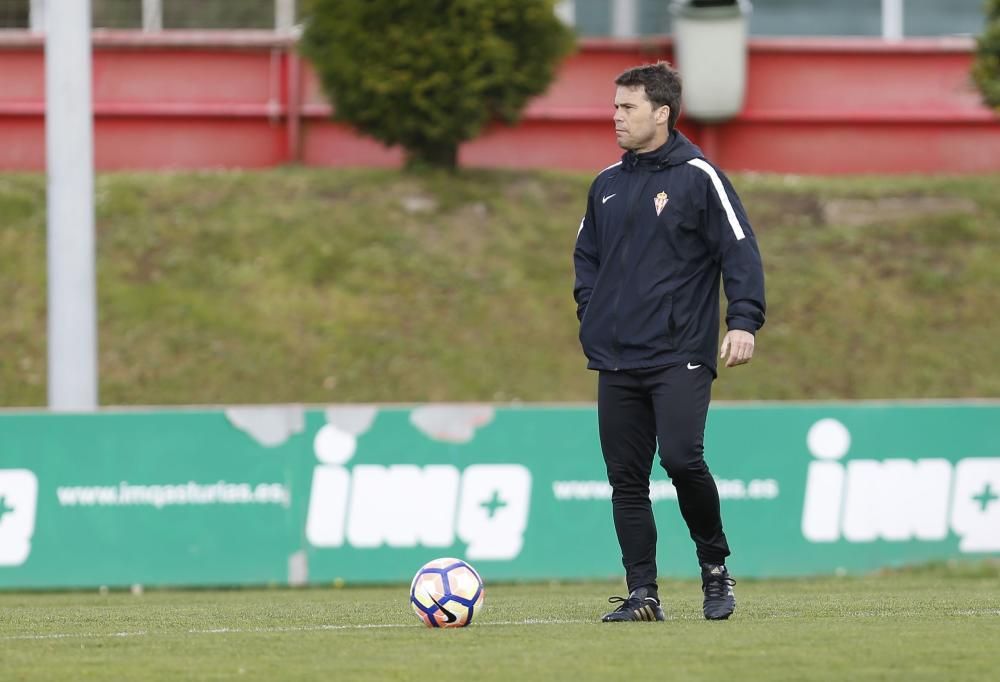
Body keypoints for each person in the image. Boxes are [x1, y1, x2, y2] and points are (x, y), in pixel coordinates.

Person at [573, 61, 765, 622]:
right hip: (616, 356)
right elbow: (586, 258)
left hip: (678, 352)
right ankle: (643, 594)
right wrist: (594, 311)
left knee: (682, 459)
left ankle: (714, 569)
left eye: (627, 107)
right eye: (614, 106)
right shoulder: (605, 184)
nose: (616, 117)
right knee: (625, 480)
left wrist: (743, 321)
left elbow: (739, 250)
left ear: (661, 113)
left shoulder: (699, 177)